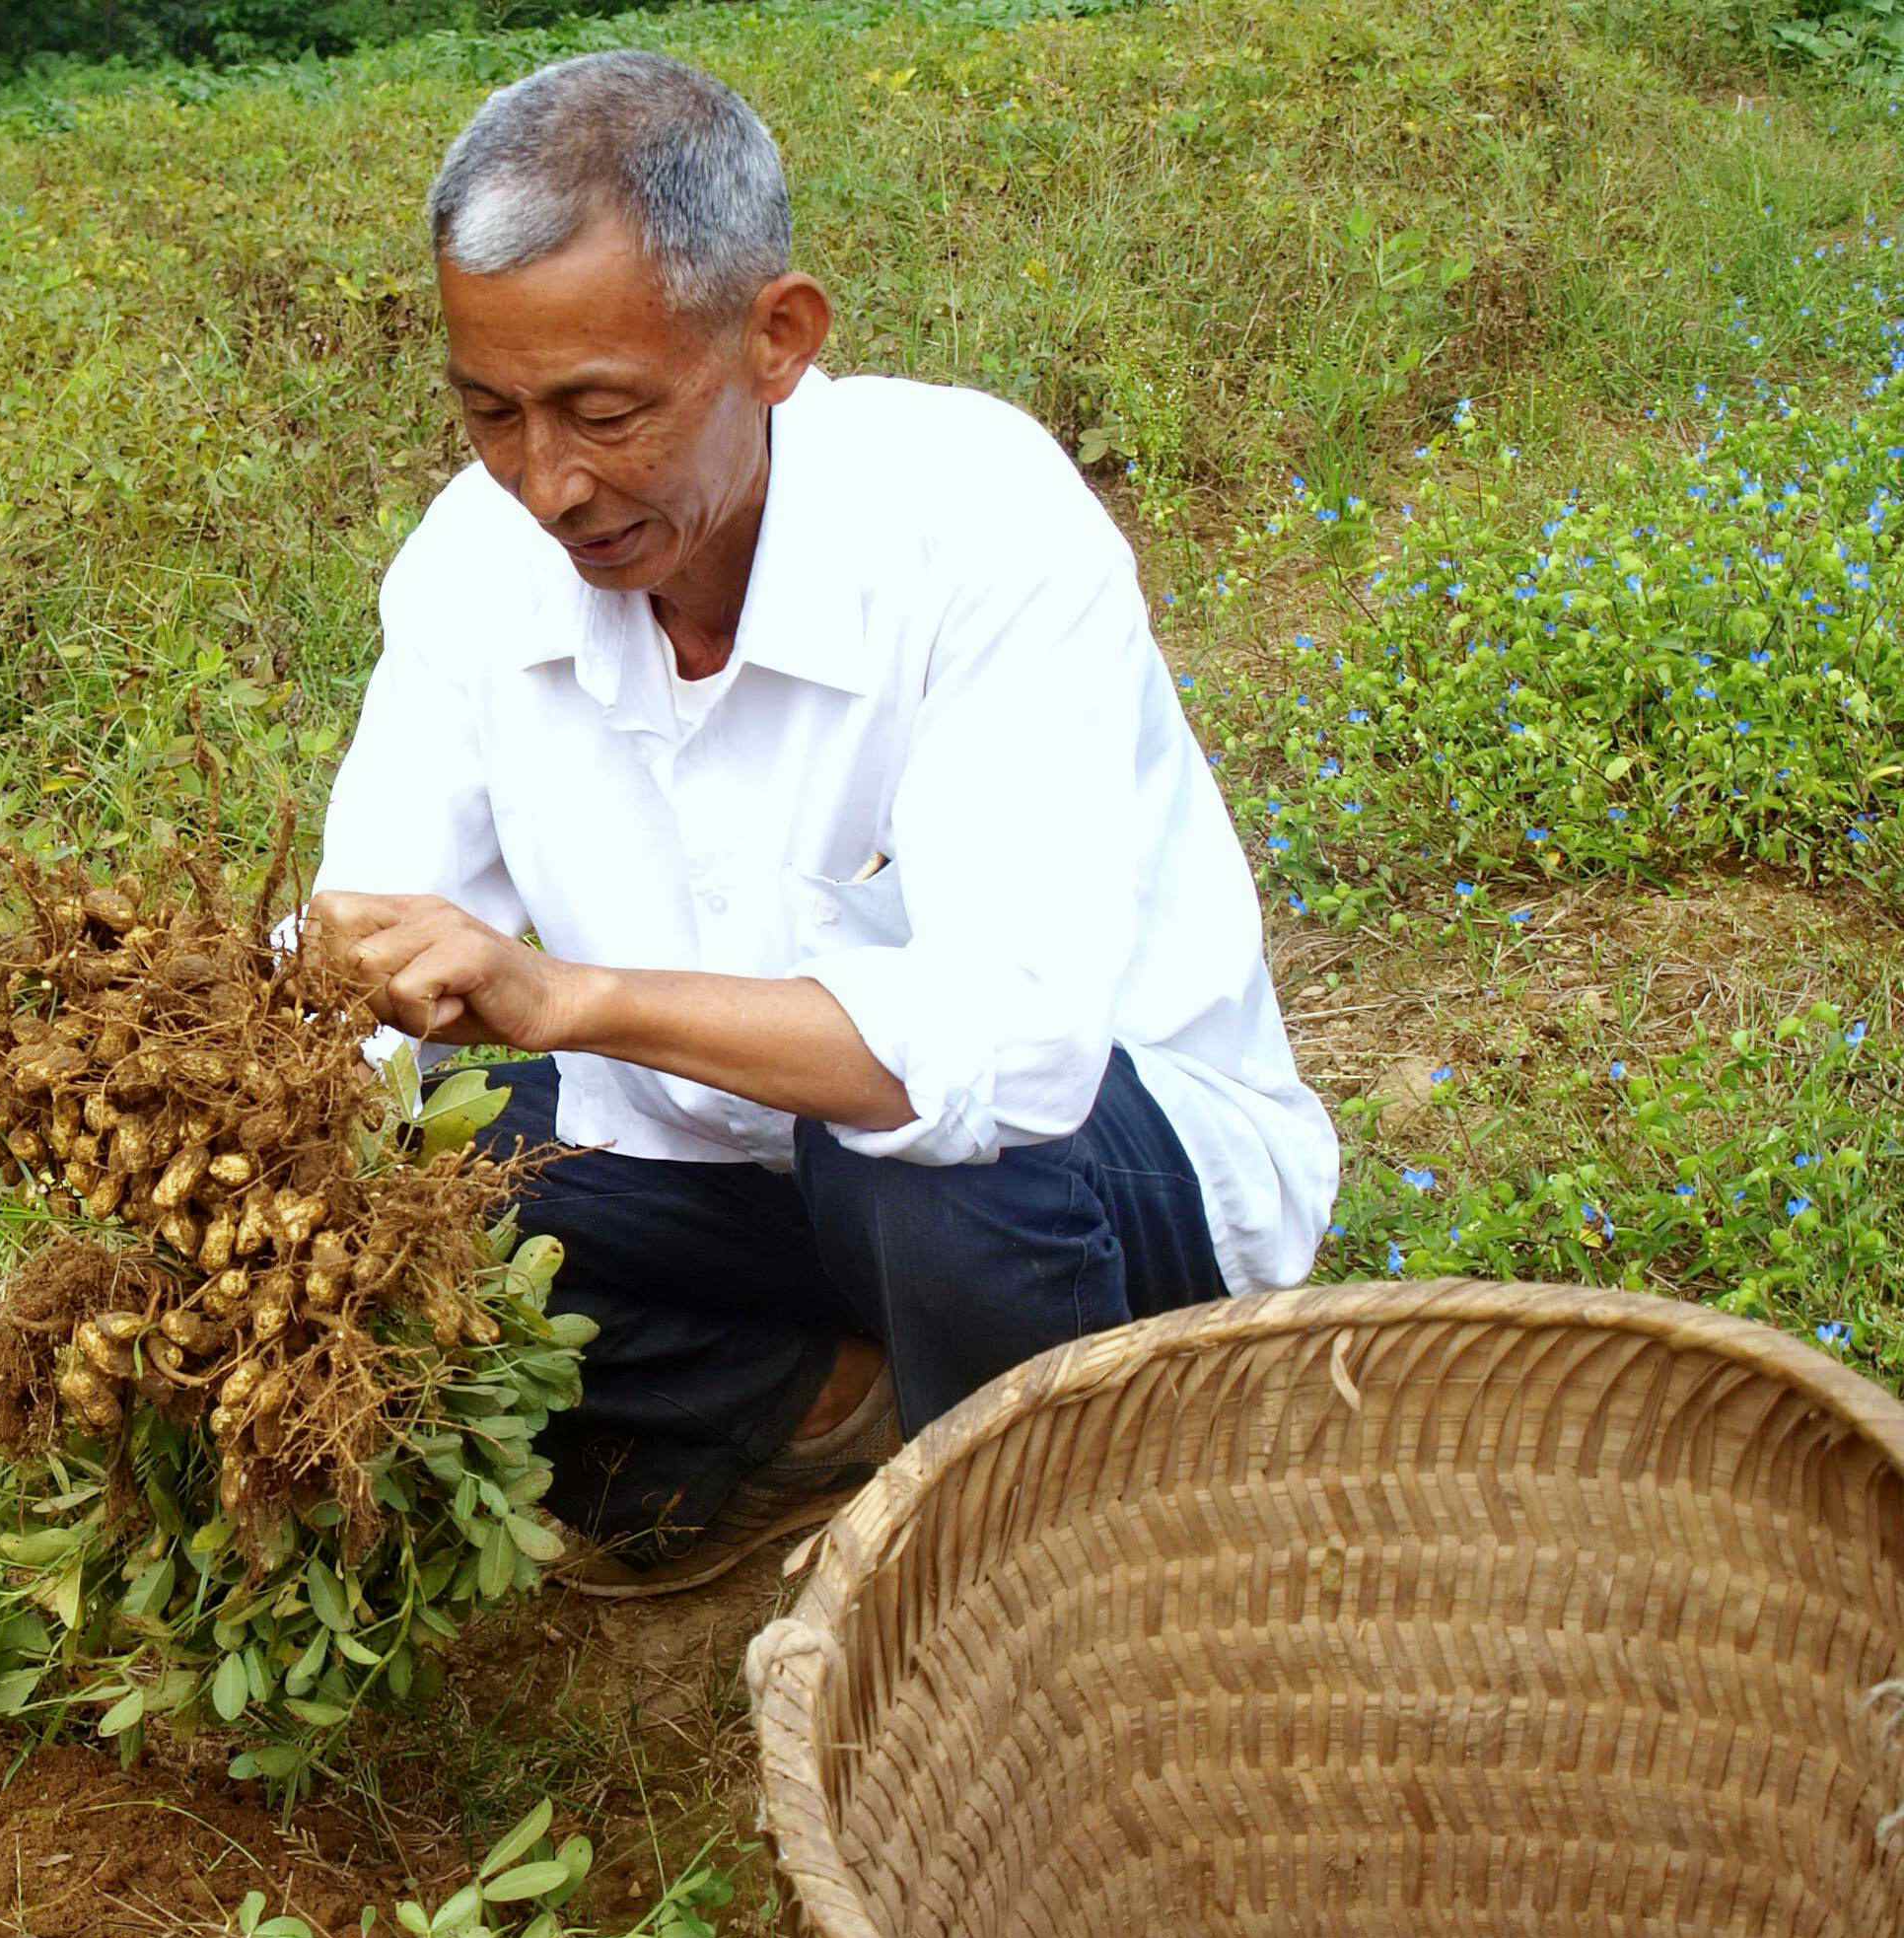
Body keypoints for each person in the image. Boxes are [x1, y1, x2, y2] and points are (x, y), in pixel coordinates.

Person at [306, 50, 1338, 1598]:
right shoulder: (473, 568)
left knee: (923, 1160)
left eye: (604, 411)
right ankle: (826, 1397)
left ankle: (1050, 1559)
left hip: (1094, 1176)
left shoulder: (975, 524)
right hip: (735, 1167)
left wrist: (568, 999)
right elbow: (364, 939)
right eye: (490, 413)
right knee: (402, 1183)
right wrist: (222, 1066)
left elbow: (1016, 1054)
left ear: (777, 337)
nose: (548, 483)